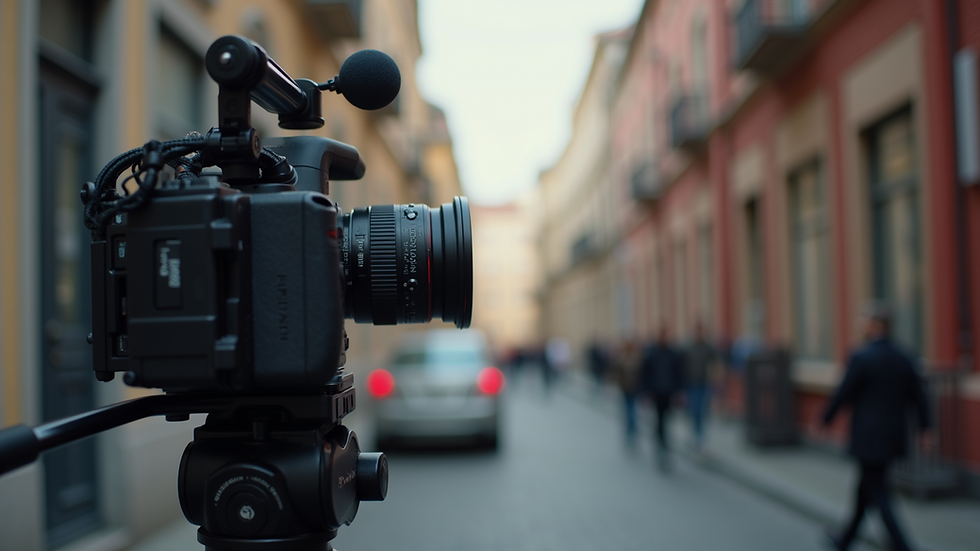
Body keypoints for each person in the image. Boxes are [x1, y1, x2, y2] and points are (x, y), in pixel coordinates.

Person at [821, 304, 932, 551]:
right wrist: (926, 428)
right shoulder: (905, 356)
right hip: (893, 435)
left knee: (878, 491)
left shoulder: (861, 357)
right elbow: (919, 397)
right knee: (866, 488)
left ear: (875, 325)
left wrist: (825, 419)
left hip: (868, 436)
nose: (859, 325)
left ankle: (902, 546)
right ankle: (845, 540)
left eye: (863, 321)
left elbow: (844, 393)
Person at [641, 327, 684, 470]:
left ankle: (664, 446)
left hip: (669, 393)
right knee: (659, 421)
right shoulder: (652, 354)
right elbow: (645, 374)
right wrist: (646, 393)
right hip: (656, 393)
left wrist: (679, 392)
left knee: (666, 421)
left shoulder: (672, 354)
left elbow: (679, 374)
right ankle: (661, 447)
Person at [684, 323, 719, 452]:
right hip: (691, 384)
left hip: (704, 383)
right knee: (694, 411)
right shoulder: (689, 347)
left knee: (703, 411)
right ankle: (695, 436)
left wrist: (716, 378)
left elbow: (715, 362)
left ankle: (701, 438)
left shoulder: (707, 347)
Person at [611, 337, 644, 448]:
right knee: (629, 410)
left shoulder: (634, 359)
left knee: (630, 410)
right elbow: (617, 374)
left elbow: (640, 375)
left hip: (632, 389)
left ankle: (632, 430)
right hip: (627, 389)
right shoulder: (624, 359)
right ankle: (631, 431)